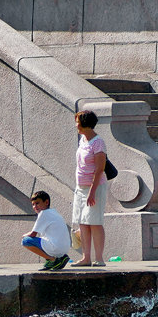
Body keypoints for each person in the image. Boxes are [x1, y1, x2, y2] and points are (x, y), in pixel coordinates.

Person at [72, 110, 108, 266]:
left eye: (78, 122)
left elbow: (100, 169)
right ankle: (86, 257)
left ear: (85, 123)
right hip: (80, 187)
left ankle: (99, 258)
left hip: (95, 187)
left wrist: (92, 192)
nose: (76, 125)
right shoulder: (83, 140)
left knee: (94, 222)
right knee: (82, 222)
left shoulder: (98, 142)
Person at [22, 191, 70, 270]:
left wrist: (24, 235)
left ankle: (52, 259)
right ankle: (58, 259)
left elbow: (33, 234)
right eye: (33, 204)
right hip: (64, 249)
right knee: (44, 239)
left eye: (37, 203)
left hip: (55, 248)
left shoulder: (43, 213)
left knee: (25, 241)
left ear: (46, 202)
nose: (35, 206)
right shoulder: (54, 212)